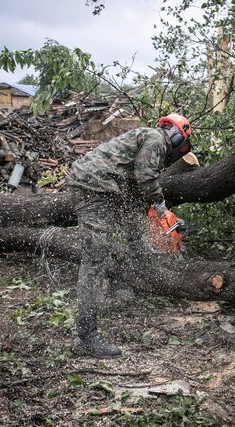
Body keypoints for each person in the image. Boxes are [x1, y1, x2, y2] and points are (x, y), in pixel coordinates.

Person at [66, 113, 192, 358]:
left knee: (135, 232)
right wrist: (161, 205)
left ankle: (134, 284)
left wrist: (152, 229)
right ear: (177, 136)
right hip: (92, 187)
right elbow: (146, 177)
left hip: (104, 187)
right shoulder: (156, 139)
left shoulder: (146, 140)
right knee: (95, 257)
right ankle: (86, 336)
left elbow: (136, 193)